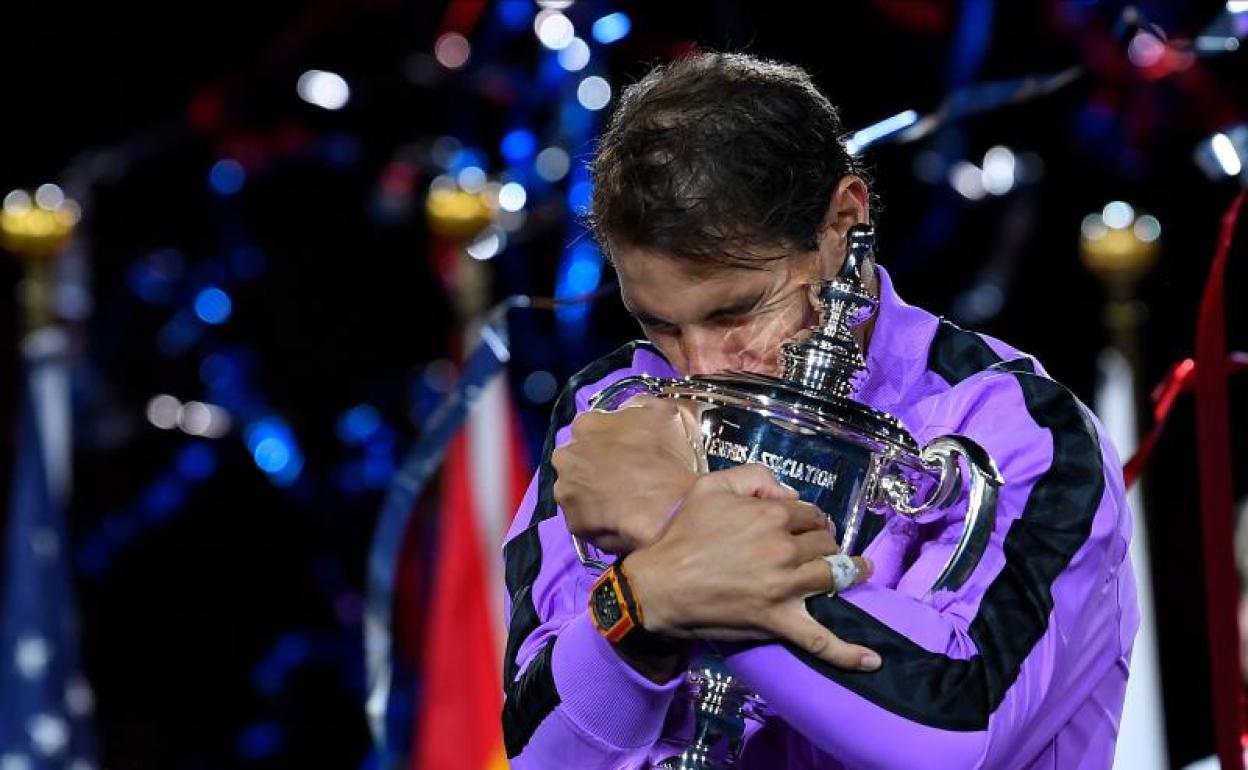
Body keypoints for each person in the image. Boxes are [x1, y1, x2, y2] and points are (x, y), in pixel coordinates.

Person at [500, 52, 1138, 769]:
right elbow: (543, 757)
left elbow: (952, 733)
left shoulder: (1020, 429)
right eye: (661, 325)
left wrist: (673, 526)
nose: (702, 364)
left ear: (844, 220)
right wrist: (642, 609)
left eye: (738, 311)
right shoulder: (612, 405)